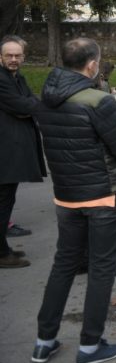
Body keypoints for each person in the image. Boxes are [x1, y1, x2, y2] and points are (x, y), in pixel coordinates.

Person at [31, 38, 116, 363]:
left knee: (63, 264)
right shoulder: (98, 101)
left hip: (67, 195)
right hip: (103, 194)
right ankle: (90, 344)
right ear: (92, 64)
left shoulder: (45, 100)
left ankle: (43, 340)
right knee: (101, 269)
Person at [0, 35, 45, 268]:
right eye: (9, 55)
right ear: (1, 57)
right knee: (3, 199)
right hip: (5, 150)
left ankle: (3, 248)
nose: (14, 59)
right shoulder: (2, 79)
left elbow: (31, 103)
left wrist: (27, 107)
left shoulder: (17, 78)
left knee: (7, 198)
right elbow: (23, 105)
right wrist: (26, 107)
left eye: (17, 55)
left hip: (12, 148)